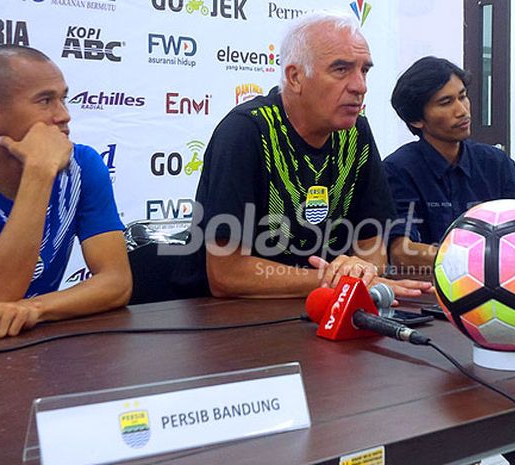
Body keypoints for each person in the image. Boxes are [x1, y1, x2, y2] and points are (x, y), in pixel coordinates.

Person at [174, 11, 431, 299]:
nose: (360, 86)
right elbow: (226, 274)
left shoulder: (356, 132)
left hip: (323, 308)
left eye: (364, 70)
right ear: (294, 77)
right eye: (341, 69)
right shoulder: (246, 131)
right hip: (227, 322)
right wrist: (335, 280)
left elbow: (371, 242)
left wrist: (362, 272)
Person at [0, 45, 131, 339]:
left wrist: (33, 309)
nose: (63, 116)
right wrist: (38, 173)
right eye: (45, 101)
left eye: (63, 99)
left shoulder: (83, 166)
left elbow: (116, 282)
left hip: (26, 346)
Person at [385, 56, 515, 272]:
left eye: (463, 97)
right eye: (446, 102)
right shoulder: (398, 170)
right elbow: (401, 252)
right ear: (416, 119)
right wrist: (476, 259)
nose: (462, 111)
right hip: (430, 293)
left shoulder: (496, 163)